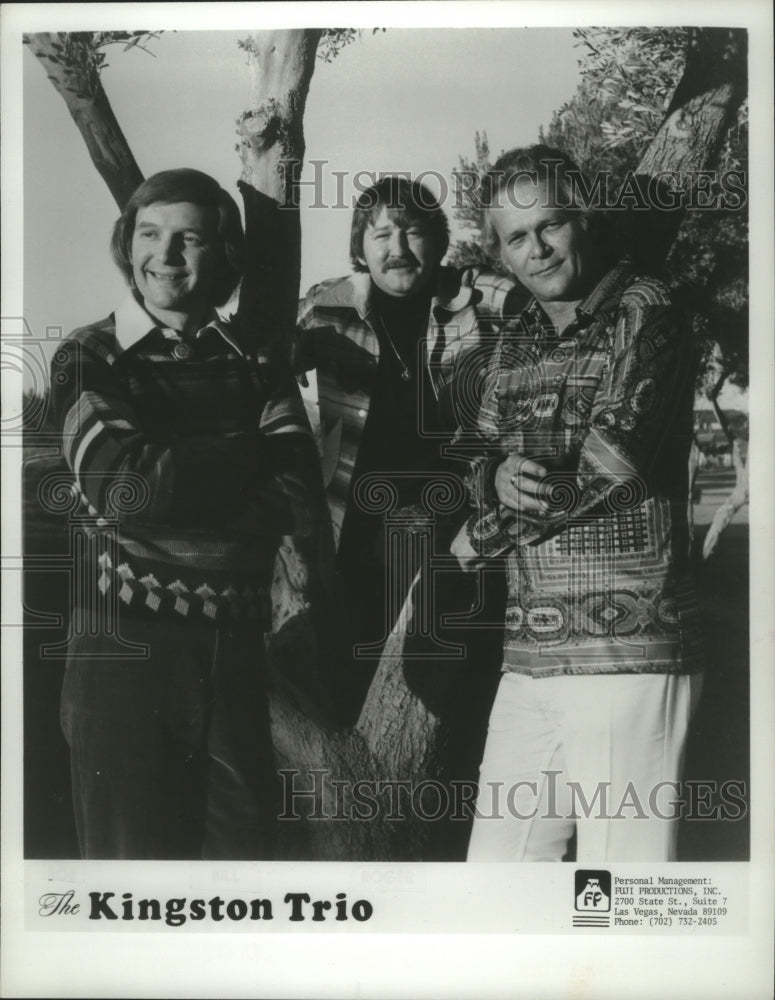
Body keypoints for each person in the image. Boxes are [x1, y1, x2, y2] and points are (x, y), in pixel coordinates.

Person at [50, 168, 315, 860]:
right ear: (125, 244)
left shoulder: (259, 360)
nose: (164, 256)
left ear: (223, 255)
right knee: (130, 884)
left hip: (236, 659)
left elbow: (295, 492)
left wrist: (178, 469)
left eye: (189, 238)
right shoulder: (90, 354)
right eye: (149, 234)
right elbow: (121, 485)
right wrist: (249, 450)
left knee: (244, 881)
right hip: (123, 655)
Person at [452, 146, 704, 862]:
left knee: (616, 887)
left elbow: (611, 462)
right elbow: (478, 449)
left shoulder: (646, 310)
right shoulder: (516, 338)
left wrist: (481, 535)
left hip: (629, 655)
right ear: (499, 251)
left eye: (550, 226)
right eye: (515, 238)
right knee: (497, 881)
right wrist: (492, 474)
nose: (536, 249)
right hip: (529, 655)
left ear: (584, 221)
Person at [296, 176, 491, 712]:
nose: (398, 249)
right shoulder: (326, 307)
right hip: (353, 525)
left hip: (454, 524)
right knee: (347, 676)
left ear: (440, 240)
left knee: (450, 683)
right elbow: (262, 351)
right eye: (381, 235)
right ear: (360, 248)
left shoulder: (479, 303)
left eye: (413, 231)